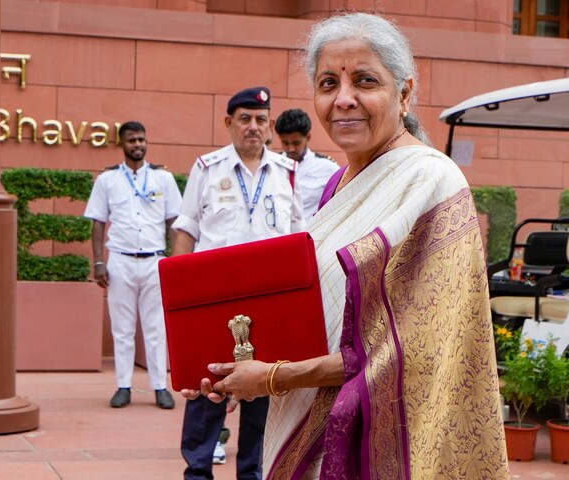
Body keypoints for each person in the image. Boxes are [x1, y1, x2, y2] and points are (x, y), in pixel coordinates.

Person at [183, 13, 509, 479]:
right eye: (328, 82)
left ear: (404, 90)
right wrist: (232, 367)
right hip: (308, 420)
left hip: (381, 444)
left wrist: (272, 377)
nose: (344, 99)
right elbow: (312, 315)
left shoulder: (432, 181)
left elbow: (412, 348)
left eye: (365, 80)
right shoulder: (338, 184)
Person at [172, 86, 305, 480]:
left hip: (269, 299)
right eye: (244, 119)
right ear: (229, 123)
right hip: (216, 298)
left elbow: (299, 237)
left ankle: (253, 473)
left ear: (270, 127)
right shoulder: (207, 168)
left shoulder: (287, 173)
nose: (253, 127)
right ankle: (197, 471)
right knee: (208, 383)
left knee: (263, 388)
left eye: (260, 120)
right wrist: (180, 301)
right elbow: (186, 230)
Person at [84, 121, 181, 410]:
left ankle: (160, 387)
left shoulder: (162, 178)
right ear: (121, 144)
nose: (137, 144)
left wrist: (174, 261)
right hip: (121, 262)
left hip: (154, 261)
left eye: (141, 139)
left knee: (156, 328)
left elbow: (175, 222)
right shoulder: (107, 181)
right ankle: (123, 386)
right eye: (131, 140)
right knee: (122, 328)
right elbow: (98, 222)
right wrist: (99, 261)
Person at [274, 109, 339, 221]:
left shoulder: (327, 168)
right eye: (285, 143)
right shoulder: (272, 164)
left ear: (308, 137)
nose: (291, 149)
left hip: (308, 235)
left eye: (296, 143)